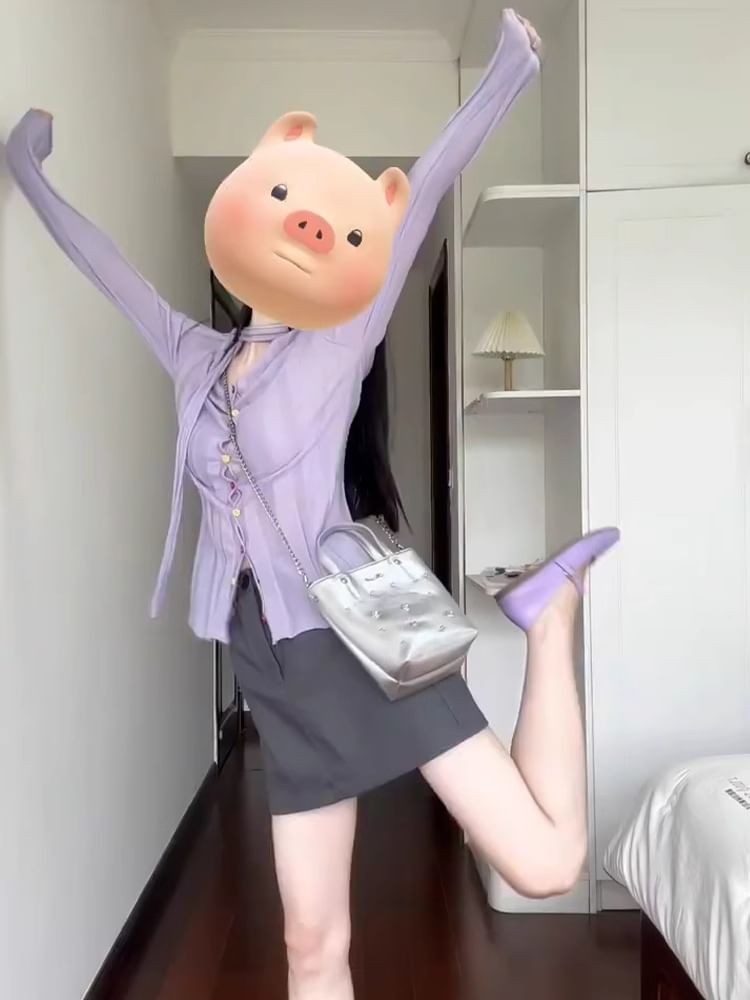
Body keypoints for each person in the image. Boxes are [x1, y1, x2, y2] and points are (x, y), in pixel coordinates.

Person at [4, 9, 619, 1000]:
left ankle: (550, 621)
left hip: (358, 630)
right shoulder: (194, 356)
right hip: (270, 658)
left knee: (543, 864)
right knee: (310, 944)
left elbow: (421, 192)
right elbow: (106, 267)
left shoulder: (337, 343)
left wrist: (507, 72)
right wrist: (30, 173)